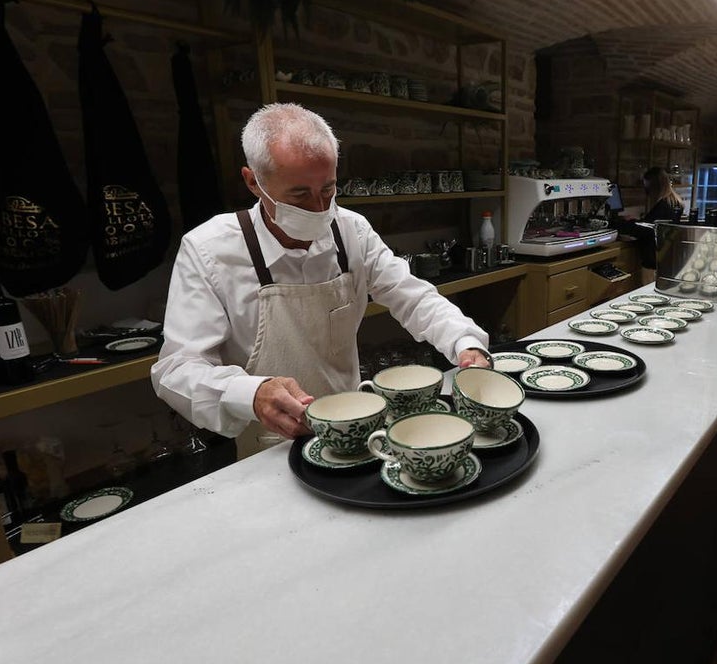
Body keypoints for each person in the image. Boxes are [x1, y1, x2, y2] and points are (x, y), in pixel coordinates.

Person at [152, 103, 490, 457]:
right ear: (253, 181)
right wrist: (250, 393)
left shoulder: (350, 230)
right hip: (270, 446)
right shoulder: (208, 250)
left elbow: (412, 297)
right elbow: (177, 368)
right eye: (299, 195)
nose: (319, 209)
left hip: (355, 429)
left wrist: (463, 342)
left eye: (328, 190)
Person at [617, 166, 685, 282]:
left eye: (646, 187)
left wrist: (622, 224)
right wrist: (639, 221)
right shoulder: (674, 201)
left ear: (653, 188)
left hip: (653, 262)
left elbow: (646, 229)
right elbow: (652, 224)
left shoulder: (663, 206)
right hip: (665, 259)